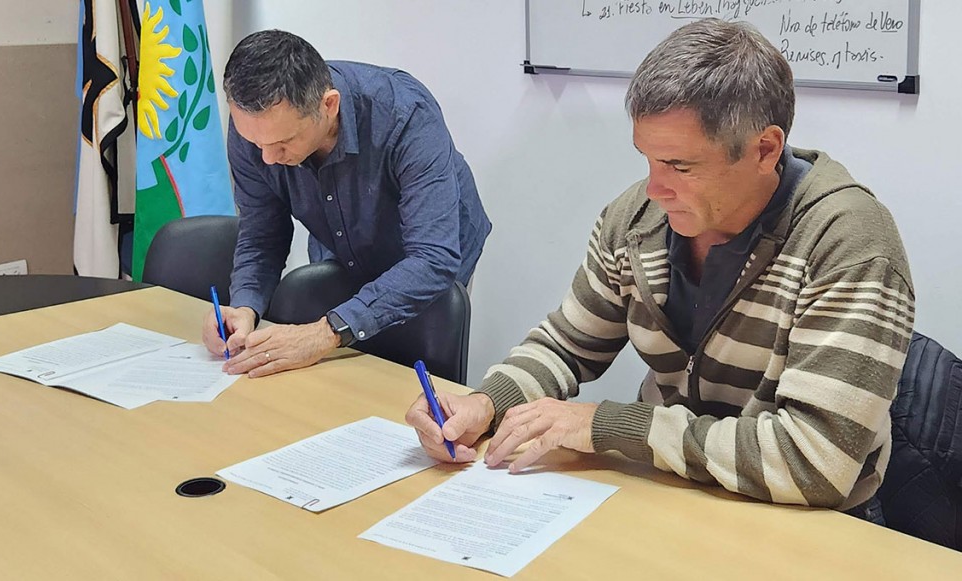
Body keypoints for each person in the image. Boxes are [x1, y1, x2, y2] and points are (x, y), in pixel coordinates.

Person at [406, 18, 913, 522]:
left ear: (764, 150)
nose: (654, 188)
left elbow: (814, 465)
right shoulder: (636, 222)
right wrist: (485, 404)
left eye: (680, 166)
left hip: (806, 520)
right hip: (674, 488)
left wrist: (612, 427)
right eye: (648, 159)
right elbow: (567, 345)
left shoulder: (849, 242)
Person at [203, 30, 491, 377]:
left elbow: (432, 258)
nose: (267, 158)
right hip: (342, 245)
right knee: (339, 374)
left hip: (429, 252)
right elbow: (262, 234)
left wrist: (327, 331)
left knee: (403, 372)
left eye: (283, 142)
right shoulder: (258, 128)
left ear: (329, 106)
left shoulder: (405, 114)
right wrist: (245, 307)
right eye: (254, 142)